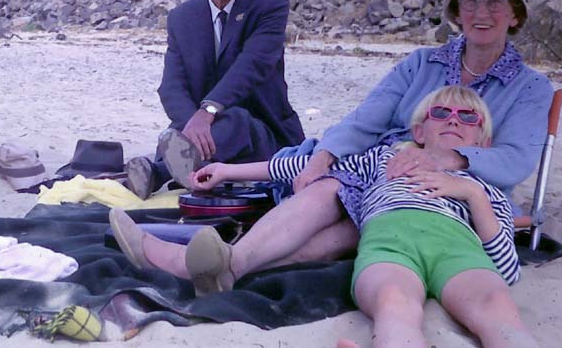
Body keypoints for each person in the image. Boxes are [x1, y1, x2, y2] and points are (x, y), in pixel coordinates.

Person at [113, 0, 552, 293]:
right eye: (470, 1)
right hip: (380, 168)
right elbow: (365, 121)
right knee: (330, 187)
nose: (480, 13)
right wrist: (325, 156)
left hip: (455, 192)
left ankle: (207, 264)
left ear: (515, 14)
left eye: (495, 3)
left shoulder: (531, 88)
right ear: (456, 9)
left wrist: (446, 160)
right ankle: (224, 268)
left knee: (352, 226)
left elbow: (516, 159)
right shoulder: (422, 64)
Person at [112, 85, 536, 348]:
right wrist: (228, 170)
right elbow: (303, 166)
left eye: (468, 116)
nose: (453, 120)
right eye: (440, 113)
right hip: (390, 244)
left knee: (495, 307)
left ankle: (212, 265)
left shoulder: (482, 184)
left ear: (483, 140)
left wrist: (471, 193)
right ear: (418, 131)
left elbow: (505, 266)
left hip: (456, 248)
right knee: (394, 305)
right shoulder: (384, 158)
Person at [125, 0, 305, 199]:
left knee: (235, 120)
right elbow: (171, 86)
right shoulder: (182, 19)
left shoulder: (269, 7)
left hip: (263, 132)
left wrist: (207, 112)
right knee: (185, 128)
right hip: (209, 133)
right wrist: (193, 125)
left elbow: (252, 66)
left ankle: (158, 172)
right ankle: (179, 162)